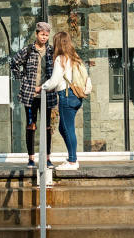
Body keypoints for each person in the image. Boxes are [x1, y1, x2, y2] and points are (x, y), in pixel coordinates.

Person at [41, 31, 90, 171]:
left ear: (58, 43)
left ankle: (73, 161)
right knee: (64, 128)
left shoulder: (61, 59)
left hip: (66, 96)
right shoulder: (75, 57)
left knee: (67, 129)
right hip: (77, 97)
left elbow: (54, 81)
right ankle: (71, 158)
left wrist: (42, 87)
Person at [10, 21, 56, 168]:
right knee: (31, 126)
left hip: (47, 93)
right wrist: (24, 78)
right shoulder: (27, 50)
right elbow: (13, 63)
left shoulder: (51, 51)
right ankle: (31, 158)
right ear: (36, 34)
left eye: (47, 35)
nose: (44, 38)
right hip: (30, 95)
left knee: (47, 126)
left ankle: (47, 158)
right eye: (42, 34)